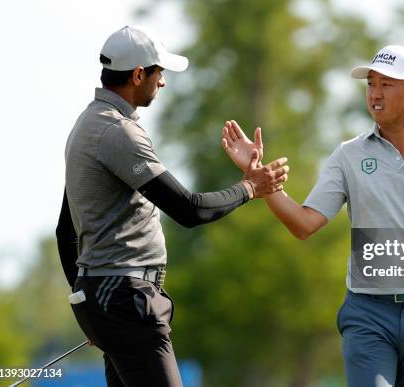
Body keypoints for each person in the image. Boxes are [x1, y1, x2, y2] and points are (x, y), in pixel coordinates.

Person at [221, 45, 404, 387]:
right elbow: (304, 224)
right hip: (368, 314)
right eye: (370, 84)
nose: (374, 94)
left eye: (386, 85)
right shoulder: (348, 155)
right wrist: (261, 181)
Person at [55, 26, 289, 387]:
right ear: (137, 75)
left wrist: (87, 300)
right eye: (158, 73)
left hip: (109, 298)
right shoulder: (116, 131)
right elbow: (188, 209)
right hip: (124, 298)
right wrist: (249, 188)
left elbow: (64, 230)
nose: (162, 82)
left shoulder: (87, 124)